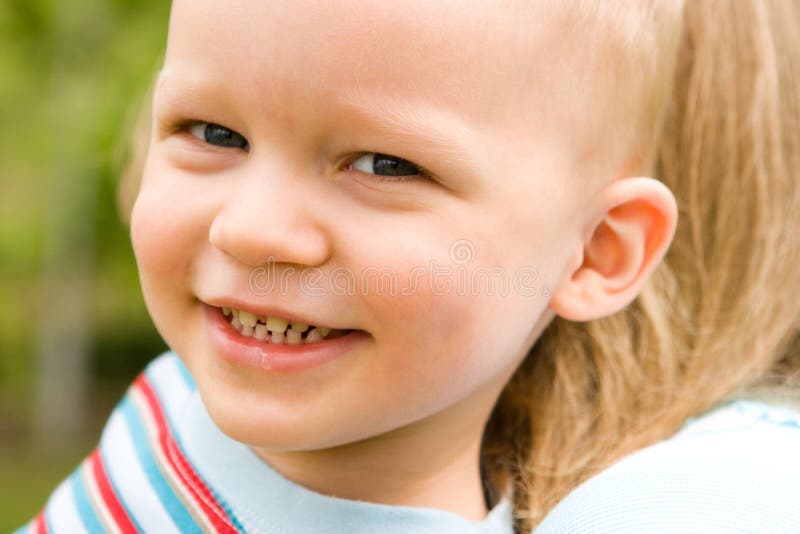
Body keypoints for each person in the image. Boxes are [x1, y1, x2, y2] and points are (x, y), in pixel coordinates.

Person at [17, 0, 800, 532]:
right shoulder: (172, 393)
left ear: (597, 250)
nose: (251, 230)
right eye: (214, 133)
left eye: (386, 165)